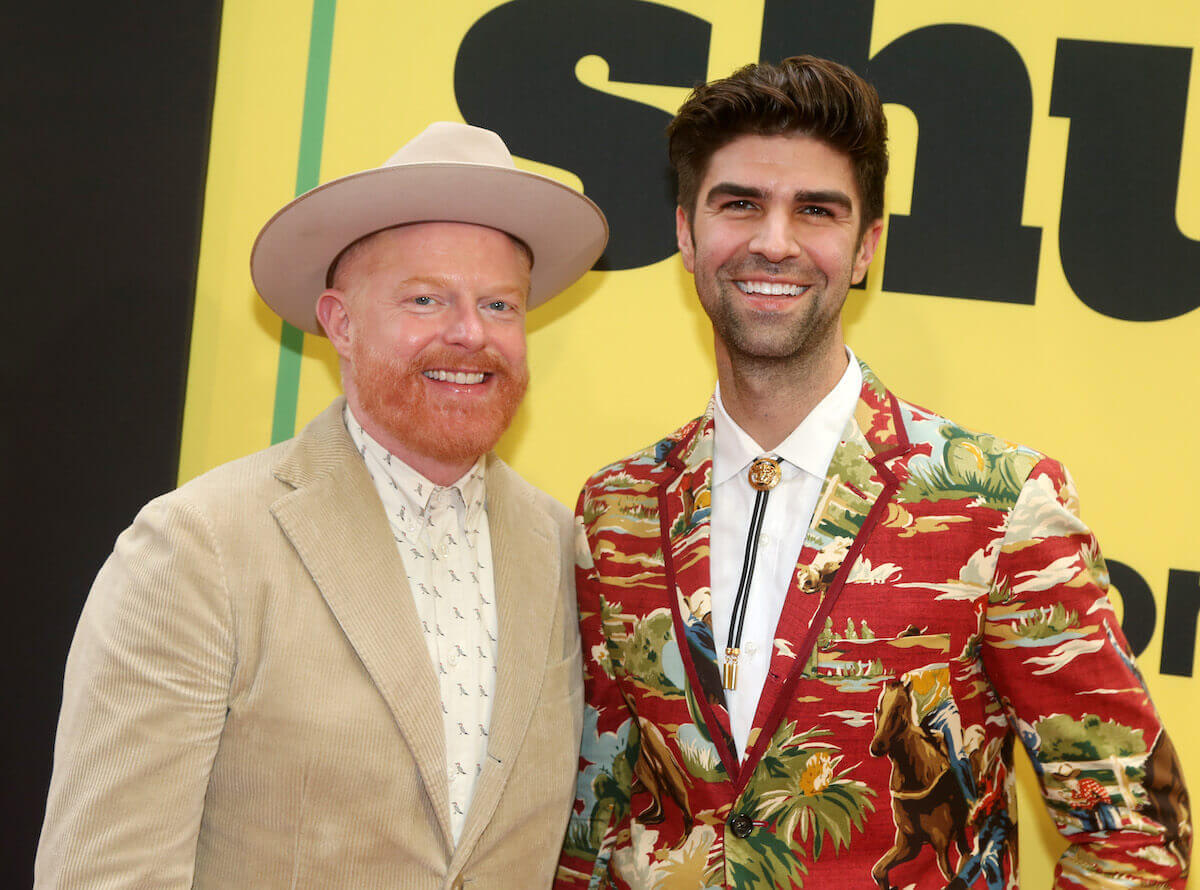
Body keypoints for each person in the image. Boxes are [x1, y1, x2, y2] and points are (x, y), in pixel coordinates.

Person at [555, 57, 1190, 889]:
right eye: (738, 203)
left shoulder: (1001, 508)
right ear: (686, 232)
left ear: (866, 249)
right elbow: (593, 817)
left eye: (815, 211)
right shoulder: (617, 510)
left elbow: (1134, 833)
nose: (773, 241)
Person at [36, 121, 607, 889]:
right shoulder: (197, 547)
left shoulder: (562, 545)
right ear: (340, 323)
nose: (471, 334)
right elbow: (106, 874)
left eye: (501, 306)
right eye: (426, 298)